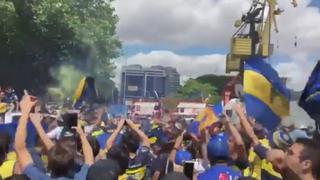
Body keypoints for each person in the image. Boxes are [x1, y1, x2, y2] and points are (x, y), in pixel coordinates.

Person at [14, 92, 94, 180]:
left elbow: (20, 148)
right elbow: (89, 159)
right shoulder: (81, 177)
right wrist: (82, 134)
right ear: (72, 163)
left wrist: (25, 113)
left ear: (49, 164)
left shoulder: (39, 177)